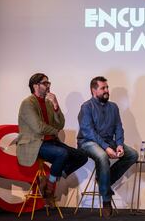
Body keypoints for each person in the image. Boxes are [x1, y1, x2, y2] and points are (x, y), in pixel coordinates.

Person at [16, 73, 88, 206]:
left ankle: (50, 179)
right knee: (62, 154)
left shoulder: (48, 103)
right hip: (34, 144)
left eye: (49, 83)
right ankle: (49, 190)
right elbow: (38, 128)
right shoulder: (28, 103)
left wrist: (55, 104)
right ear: (35, 86)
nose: (48, 85)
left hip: (50, 142)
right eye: (45, 83)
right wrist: (55, 131)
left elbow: (60, 124)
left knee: (82, 156)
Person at [77, 76, 138, 218]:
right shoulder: (87, 107)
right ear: (93, 90)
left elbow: (118, 128)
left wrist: (120, 145)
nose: (106, 90)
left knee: (132, 154)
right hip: (87, 142)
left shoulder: (113, 107)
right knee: (103, 156)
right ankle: (106, 200)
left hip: (108, 141)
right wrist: (106, 147)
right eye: (103, 88)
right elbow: (88, 131)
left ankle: (105, 180)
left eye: (107, 87)